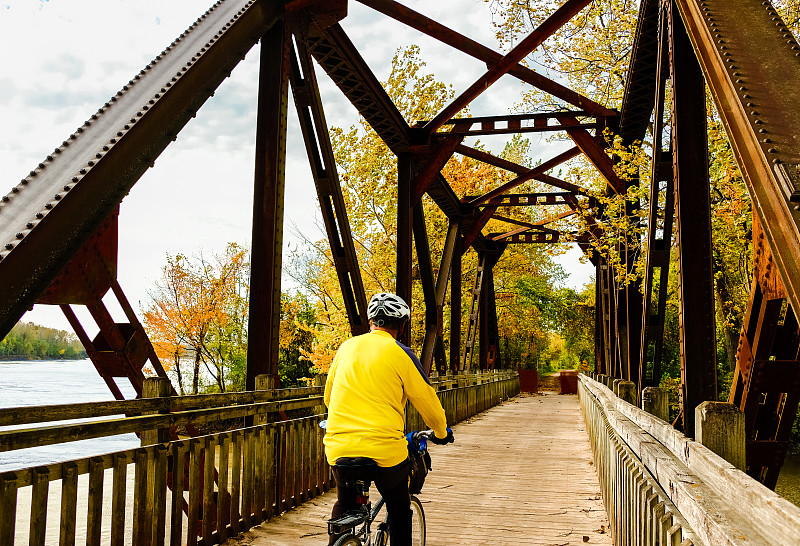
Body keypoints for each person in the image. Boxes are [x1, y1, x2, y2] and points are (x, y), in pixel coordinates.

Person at [323, 292, 454, 546]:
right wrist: (441, 432)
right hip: (384, 451)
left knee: (344, 502)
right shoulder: (400, 353)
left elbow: (328, 397)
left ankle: (337, 541)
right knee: (398, 506)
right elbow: (427, 401)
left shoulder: (345, 348)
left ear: (371, 321)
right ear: (402, 326)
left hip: (339, 448)